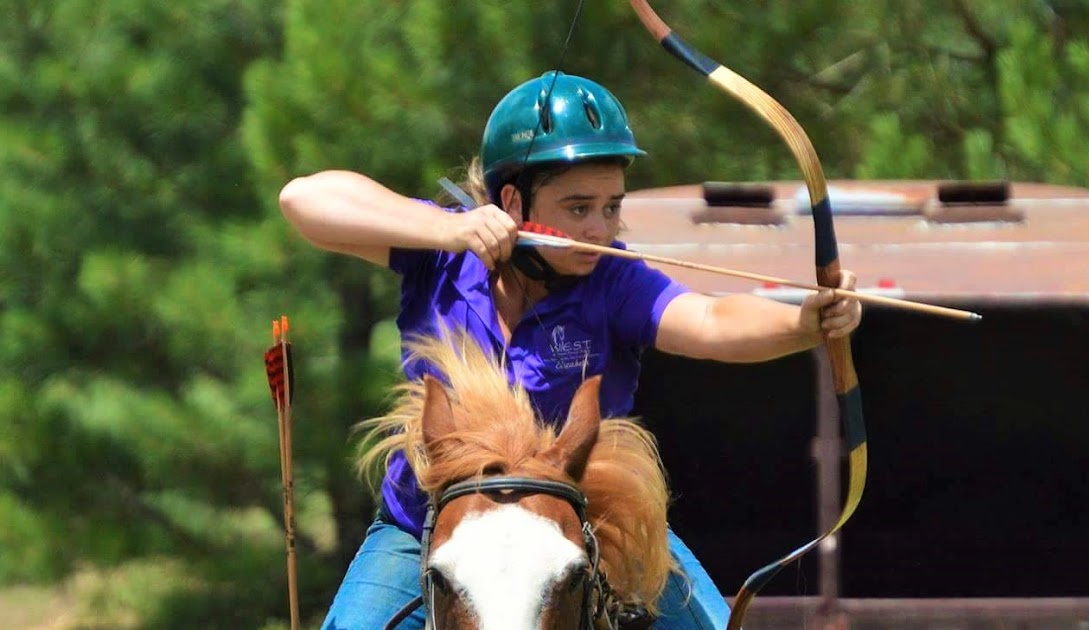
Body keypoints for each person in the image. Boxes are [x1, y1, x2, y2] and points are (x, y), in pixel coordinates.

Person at [279, 70, 862, 630]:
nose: (599, 230)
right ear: (513, 202)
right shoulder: (440, 251)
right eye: (578, 208)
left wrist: (806, 322)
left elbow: (709, 319)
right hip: (425, 524)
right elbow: (302, 199)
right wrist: (445, 231)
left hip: (584, 522)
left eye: (612, 207)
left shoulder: (615, 280)